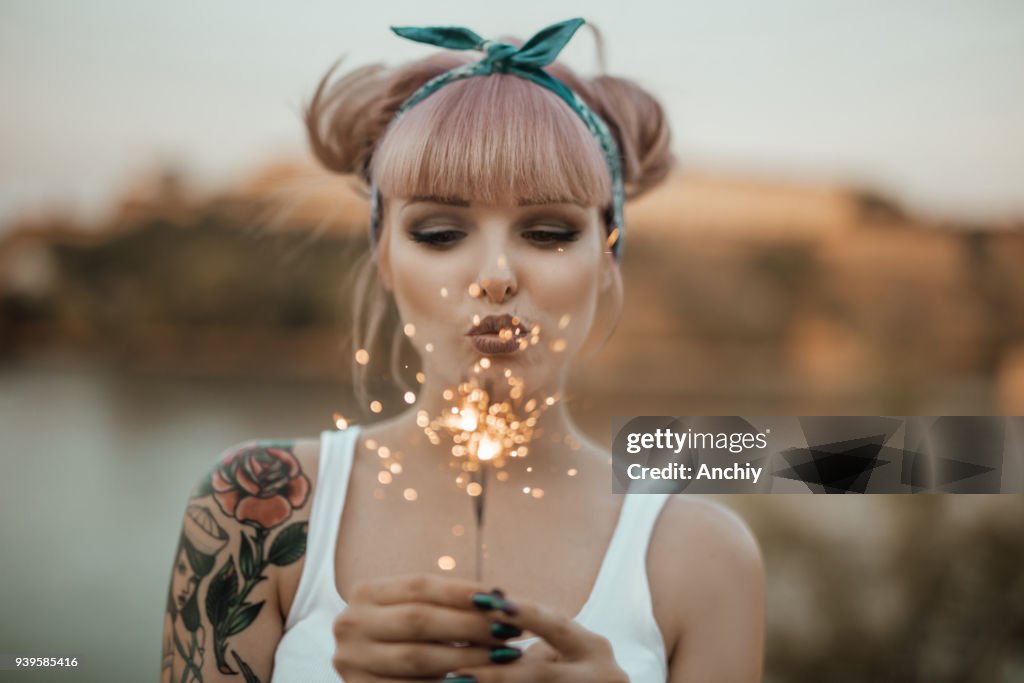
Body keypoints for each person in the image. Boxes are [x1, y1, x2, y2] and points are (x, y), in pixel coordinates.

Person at [162, 18, 764, 682]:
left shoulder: (702, 554)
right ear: (383, 254)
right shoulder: (257, 508)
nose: (497, 274)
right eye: (441, 231)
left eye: (549, 230)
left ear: (607, 256)